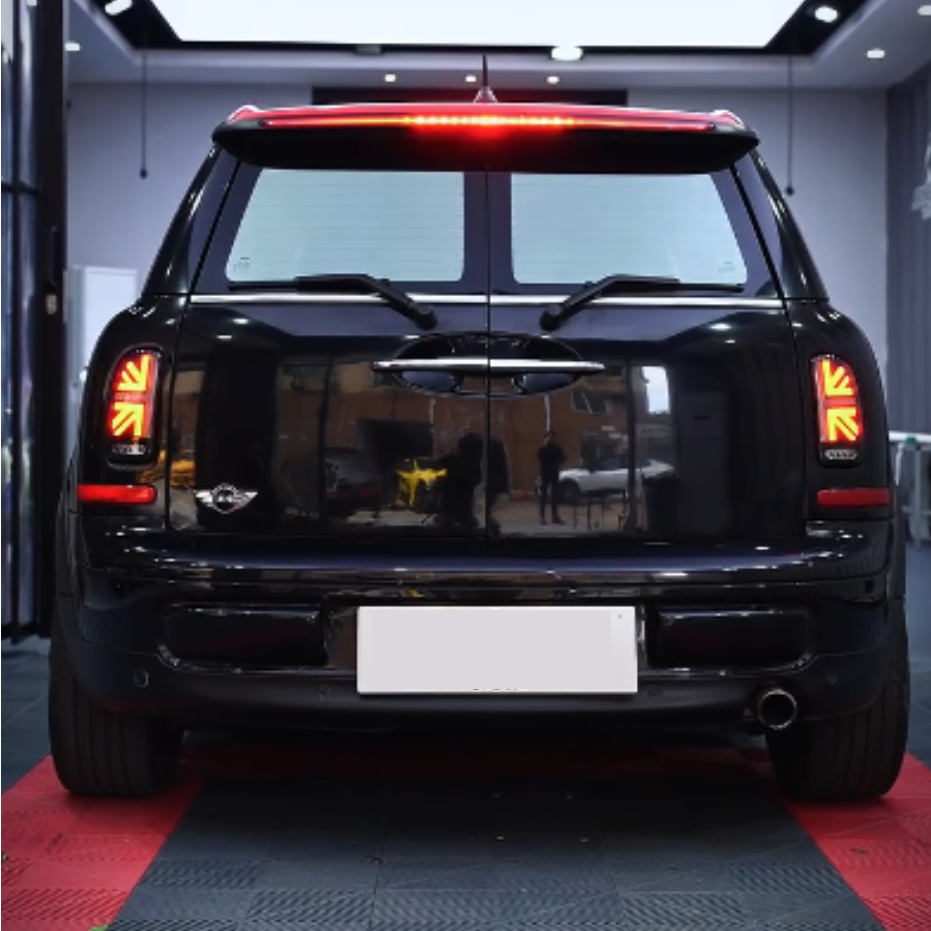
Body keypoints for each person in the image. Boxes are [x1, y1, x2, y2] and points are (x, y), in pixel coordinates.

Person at [537, 430, 565, 525]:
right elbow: (539, 457)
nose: (550, 439)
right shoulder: (542, 449)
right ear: (545, 438)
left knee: (555, 496)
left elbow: (562, 458)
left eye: (552, 437)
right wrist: (544, 445)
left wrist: (561, 459)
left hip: (554, 474)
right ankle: (542, 517)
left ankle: (555, 516)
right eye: (548, 437)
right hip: (545, 474)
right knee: (543, 495)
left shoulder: (557, 448)